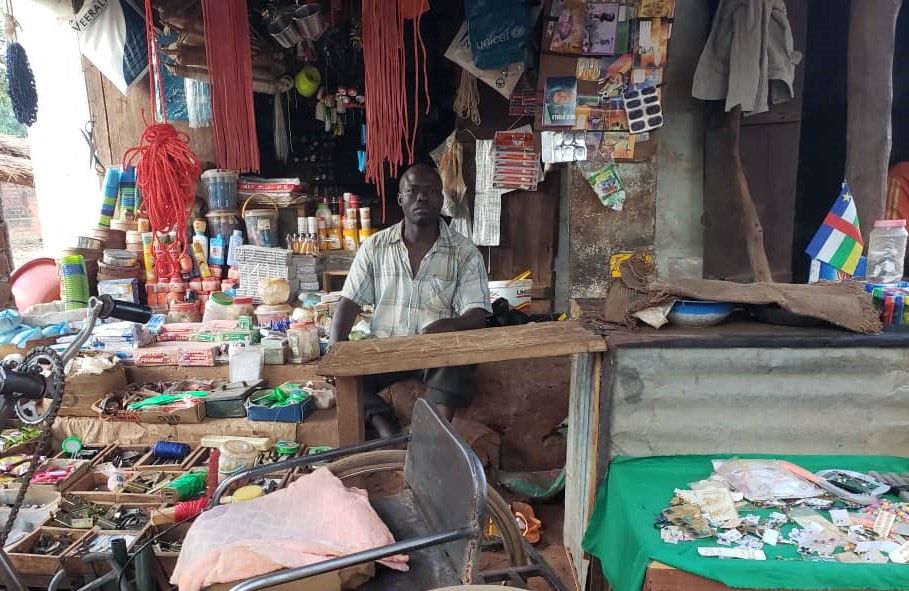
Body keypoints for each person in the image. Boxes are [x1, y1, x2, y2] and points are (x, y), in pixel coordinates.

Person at [329, 164, 492, 437]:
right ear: (400, 199)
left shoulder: (464, 252)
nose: (422, 197)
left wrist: (446, 326)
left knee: (459, 362)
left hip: (436, 351)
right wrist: (335, 350)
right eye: (413, 190)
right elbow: (349, 302)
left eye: (430, 191)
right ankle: (386, 428)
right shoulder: (375, 247)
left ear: (441, 200)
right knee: (341, 378)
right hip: (385, 349)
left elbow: (477, 314)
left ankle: (431, 436)